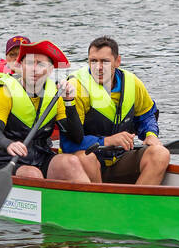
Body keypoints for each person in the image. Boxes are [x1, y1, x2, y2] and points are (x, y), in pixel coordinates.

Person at [66, 36, 168, 185]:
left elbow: (147, 116)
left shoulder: (133, 83)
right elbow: (68, 143)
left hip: (120, 158)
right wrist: (107, 140)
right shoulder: (75, 87)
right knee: (85, 157)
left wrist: (151, 134)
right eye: (93, 61)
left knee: (161, 154)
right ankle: (100, 204)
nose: (98, 67)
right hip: (88, 163)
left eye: (105, 62)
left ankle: (134, 205)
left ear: (117, 61)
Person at [0, 40, 87, 182]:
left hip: (40, 157)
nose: (34, 69)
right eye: (30, 63)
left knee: (71, 162)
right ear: (20, 66)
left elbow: (76, 137)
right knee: (32, 174)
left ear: (49, 70)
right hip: (3, 159)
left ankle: (90, 202)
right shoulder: (4, 91)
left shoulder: (55, 93)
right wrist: (9, 144)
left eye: (41, 64)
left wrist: (69, 102)